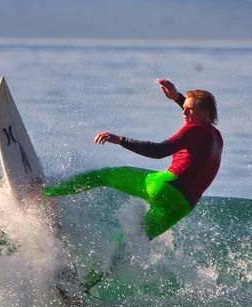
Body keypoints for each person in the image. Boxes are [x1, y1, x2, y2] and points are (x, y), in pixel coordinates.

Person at [43, 79, 223, 241]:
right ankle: (95, 277)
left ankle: (46, 193)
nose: (184, 111)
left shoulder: (193, 130)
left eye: (189, 108)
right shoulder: (216, 137)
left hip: (166, 186)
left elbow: (158, 151)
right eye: (184, 107)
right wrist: (177, 97)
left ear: (204, 112)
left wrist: (121, 140)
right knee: (134, 240)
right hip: (182, 206)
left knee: (104, 176)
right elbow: (194, 113)